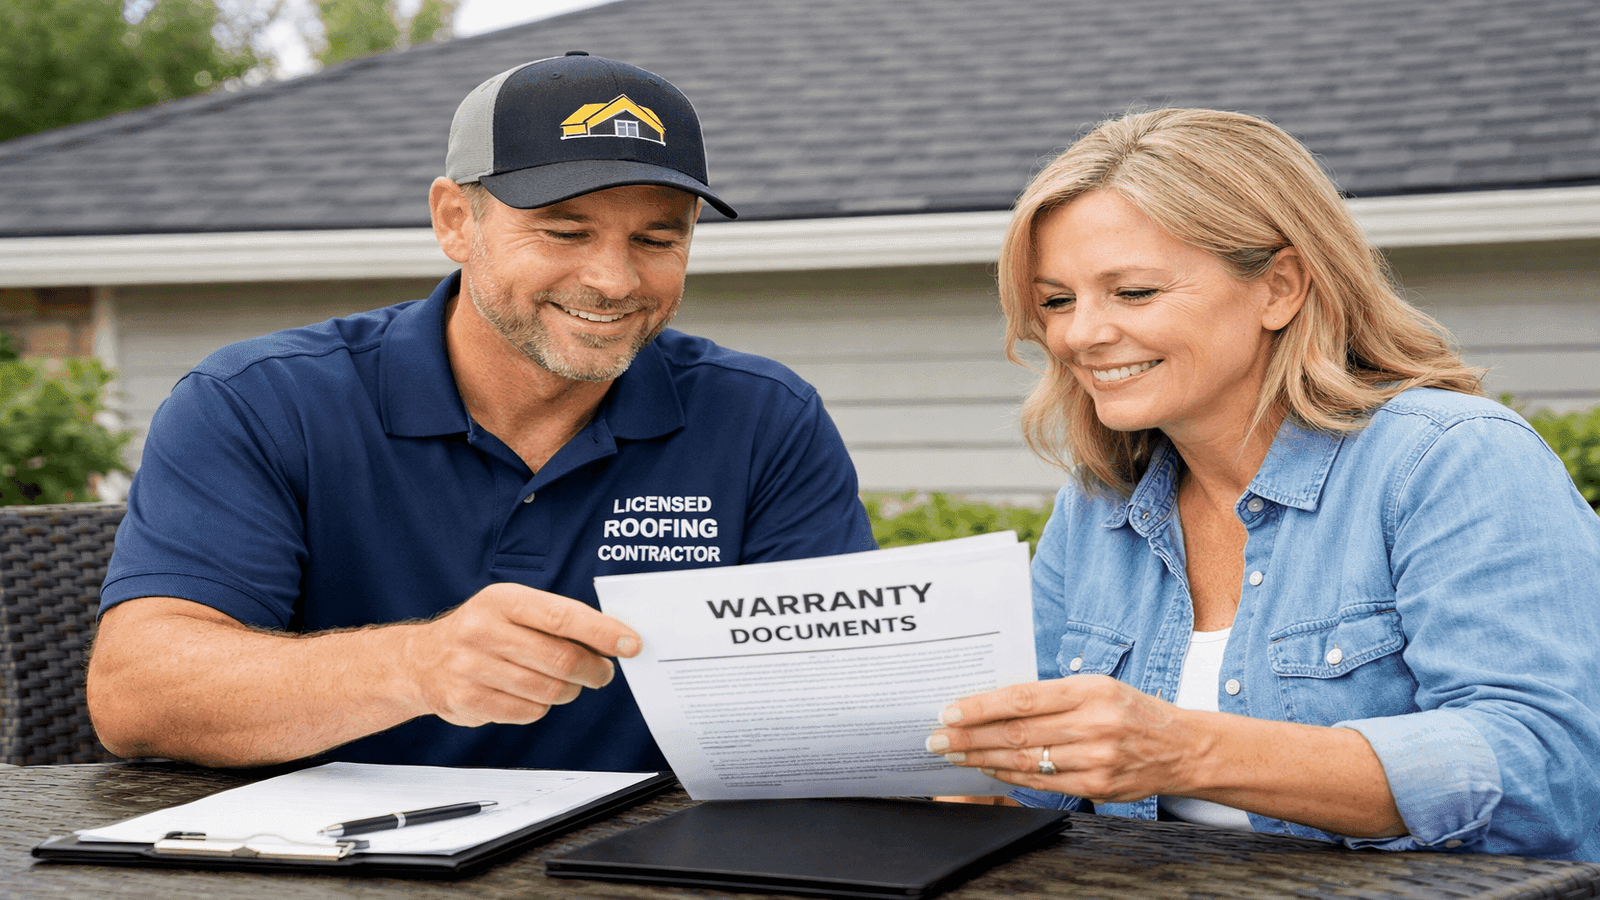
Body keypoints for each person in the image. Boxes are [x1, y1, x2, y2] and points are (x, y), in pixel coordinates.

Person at [86, 52, 875, 772]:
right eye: (564, 230)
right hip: (330, 865)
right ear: (455, 221)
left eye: (657, 240)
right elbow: (137, 698)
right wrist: (415, 667)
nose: (613, 279)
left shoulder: (764, 417)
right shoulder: (261, 400)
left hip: (649, 862)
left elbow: (836, 689)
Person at [926, 108, 1600, 859]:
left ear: (1279, 287)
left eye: (1135, 292)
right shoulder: (1095, 509)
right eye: (1057, 301)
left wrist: (1190, 750)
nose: (1079, 334)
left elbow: (1548, 773)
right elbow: (1037, 790)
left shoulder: (1450, 460)